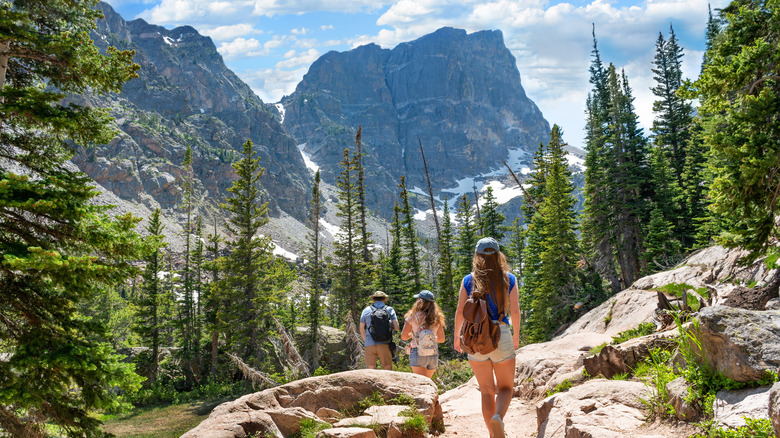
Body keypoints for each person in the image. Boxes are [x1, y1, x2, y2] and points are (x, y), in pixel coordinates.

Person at [454, 237, 520, 438]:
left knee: (486, 391)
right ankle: (498, 418)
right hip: (501, 334)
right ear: (498, 256)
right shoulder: (509, 279)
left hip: (475, 340)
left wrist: (457, 337)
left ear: (477, 256)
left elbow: (459, 312)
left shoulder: (468, 280)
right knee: (506, 388)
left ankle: (493, 435)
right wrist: (515, 336)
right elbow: (515, 312)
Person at [400, 290, 446, 378]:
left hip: (418, 352)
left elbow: (404, 337)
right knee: (428, 382)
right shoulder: (437, 317)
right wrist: (429, 339)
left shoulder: (412, 316)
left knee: (422, 384)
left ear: (419, 302)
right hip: (433, 353)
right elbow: (441, 339)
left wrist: (414, 336)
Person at [359, 291, 399, 370]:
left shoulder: (366, 310)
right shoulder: (389, 310)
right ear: (385, 299)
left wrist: (366, 341)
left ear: (373, 299)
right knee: (387, 367)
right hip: (385, 343)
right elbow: (396, 327)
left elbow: (361, 328)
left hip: (369, 343)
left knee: (371, 368)